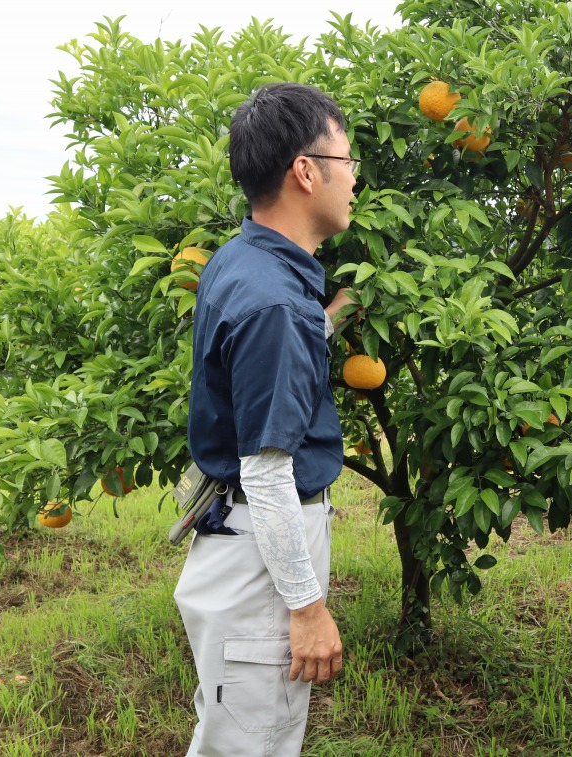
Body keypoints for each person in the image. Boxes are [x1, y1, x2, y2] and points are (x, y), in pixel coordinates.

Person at [174, 82, 359, 756]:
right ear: (306, 172)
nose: (354, 180)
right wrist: (307, 610)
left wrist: (323, 321)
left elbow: (252, 370)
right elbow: (270, 473)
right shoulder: (277, 305)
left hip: (233, 536)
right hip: (261, 552)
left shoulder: (242, 259)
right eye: (348, 163)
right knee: (255, 741)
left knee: (229, 734)